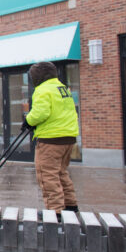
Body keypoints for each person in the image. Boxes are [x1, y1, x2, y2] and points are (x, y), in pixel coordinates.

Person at [24, 61, 79, 216]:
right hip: (68, 137)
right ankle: (70, 206)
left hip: (51, 139)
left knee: (47, 175)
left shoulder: (43, 90)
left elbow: (40, 113)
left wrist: (28, 121)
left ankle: (56, 212)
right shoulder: (62, 88)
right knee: (61, 172)